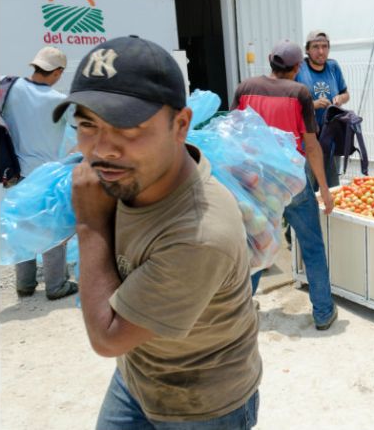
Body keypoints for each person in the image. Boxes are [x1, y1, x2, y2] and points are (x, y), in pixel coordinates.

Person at [52, 35, 261, 428]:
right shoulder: (129, 176)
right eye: (86, 125)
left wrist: (89, 222)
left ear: (180, 124)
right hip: (137, 378)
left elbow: (108, 338)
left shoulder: (201, 232)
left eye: (128, 128)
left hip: (203, 404)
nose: (102, 150)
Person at [231, 39, 338, 331]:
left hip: (257, 180)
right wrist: (324, 191)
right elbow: (311, 145)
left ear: (270, 60)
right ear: (297, 67)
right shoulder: (298, 93)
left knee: (256, 245)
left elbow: (235, 134)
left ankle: (238, 314)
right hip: (292, 179)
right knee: (312, 245)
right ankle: (323, 313)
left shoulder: (245, 88)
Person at [1, 46, 77, 301]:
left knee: (22, 227)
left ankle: (25, 284)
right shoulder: (60, 100)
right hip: (46, 175)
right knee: (52, 228)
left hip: (15, 172)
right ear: (57, 72)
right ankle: (56, 286)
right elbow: (81, 126)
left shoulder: (10, 88)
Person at [295, 30, 349, 190]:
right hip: (308, 138)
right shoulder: (299, 69)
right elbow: (290, 103)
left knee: (332, 184)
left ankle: (330, 214)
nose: (321, 51)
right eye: (316, 47)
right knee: (309, 185)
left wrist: (340, 99)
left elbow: (345, 93)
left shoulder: (333, 67)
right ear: (307, 50)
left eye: (325, 47)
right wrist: (313, 104)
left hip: (331, 135)